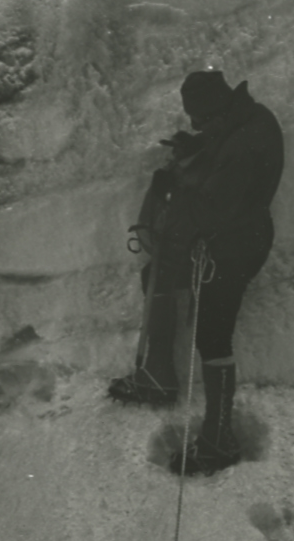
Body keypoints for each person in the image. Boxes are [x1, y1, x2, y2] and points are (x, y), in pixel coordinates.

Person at [108, 69, 284, 475]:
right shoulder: (251, 118)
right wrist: (197, 146)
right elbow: (224, 160)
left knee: (212, 333)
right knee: (157, 276)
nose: (196, 125)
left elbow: (209, 210)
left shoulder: (242, 143)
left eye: (198, 120)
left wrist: (174, 189)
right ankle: (158, 375)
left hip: (233, 246)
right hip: (235, 232)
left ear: (215, 109)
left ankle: (219, 438)